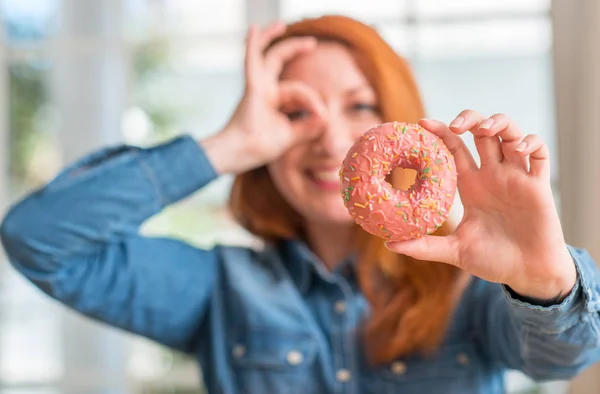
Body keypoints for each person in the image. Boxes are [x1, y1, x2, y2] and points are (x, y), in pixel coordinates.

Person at [1, 14, 600, 394]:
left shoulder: (468, 288)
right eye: (294, 112)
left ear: (401, 121)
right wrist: (226, 146)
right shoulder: (218, 290)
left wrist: (545, 281)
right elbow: (40, 239)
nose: (332, 141)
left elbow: (563, 358)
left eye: (360, 107)